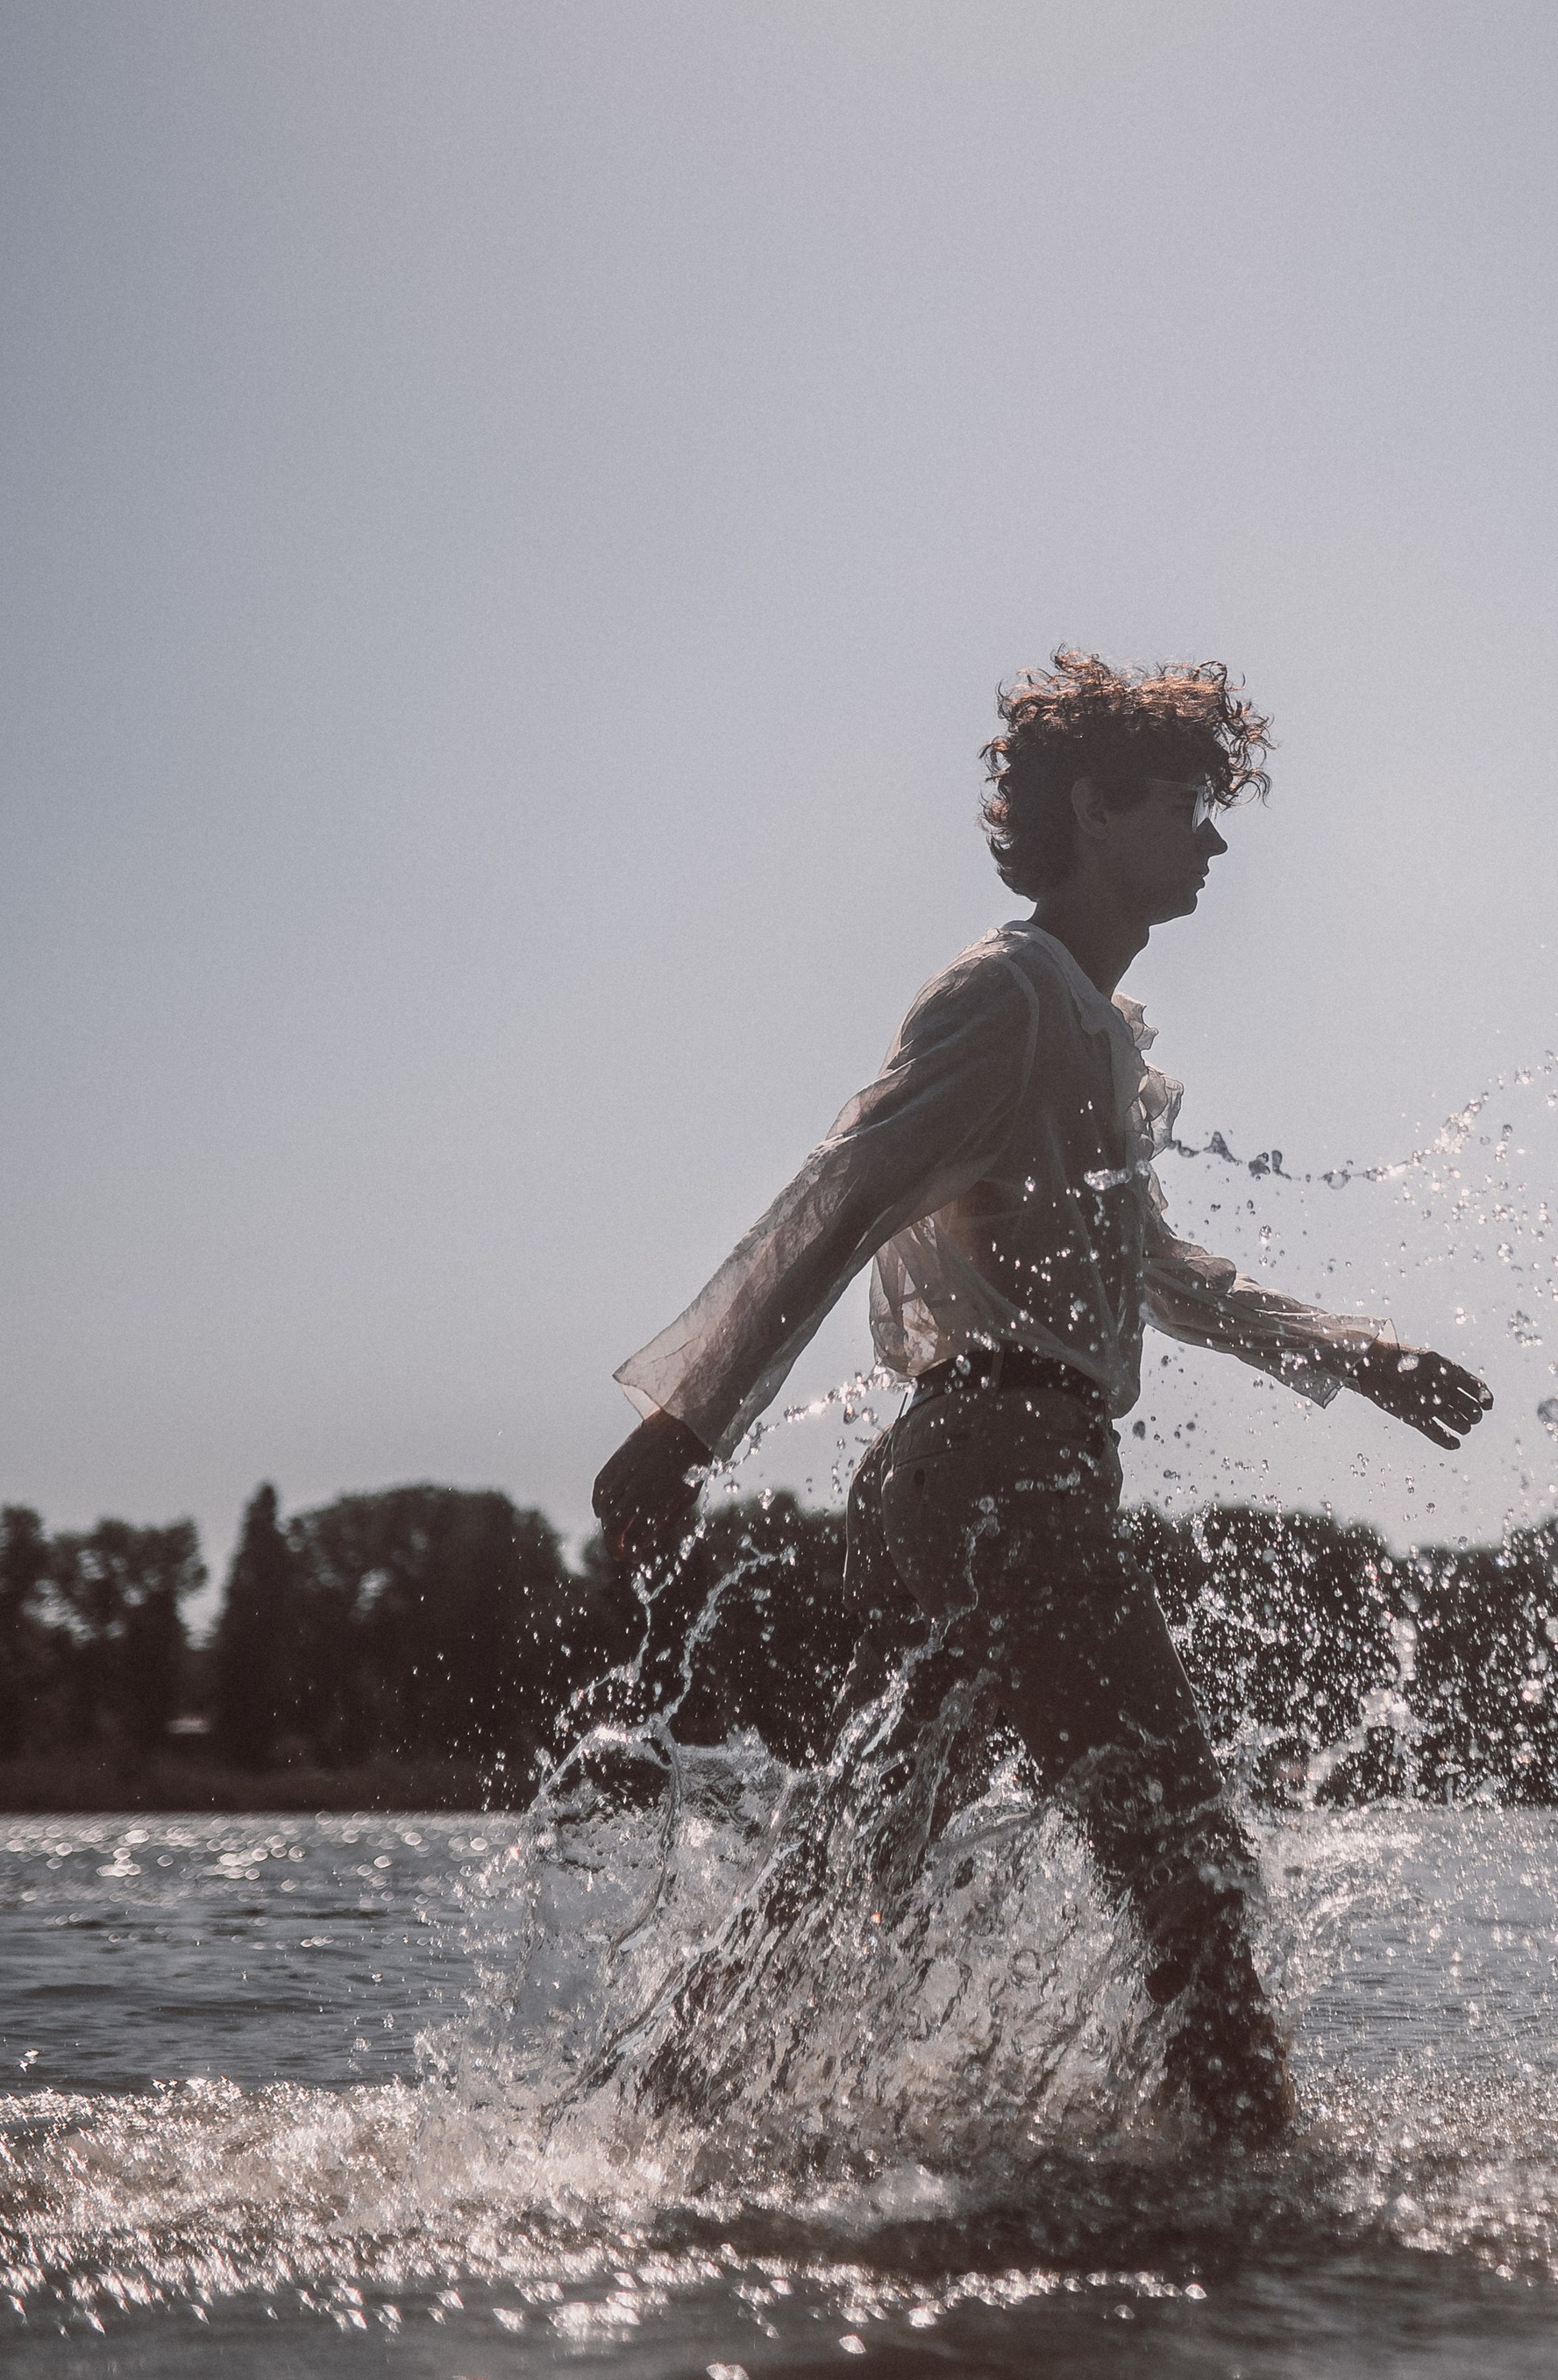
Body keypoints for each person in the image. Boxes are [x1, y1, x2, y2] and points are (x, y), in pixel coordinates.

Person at [593, 652, 1490, 2140]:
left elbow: (1158, 1271)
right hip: (998, 1470)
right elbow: (842, 1198)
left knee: (867, 1857)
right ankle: (1254, 2198)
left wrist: (1357, 1352)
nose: (1215, 840)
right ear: (1096, 807)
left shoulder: (1091, 1025)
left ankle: (658, 2126)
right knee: (1183, 1853)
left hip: (996, 1474)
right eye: (1188, 805)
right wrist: (684, 1425)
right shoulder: (1009, 996)